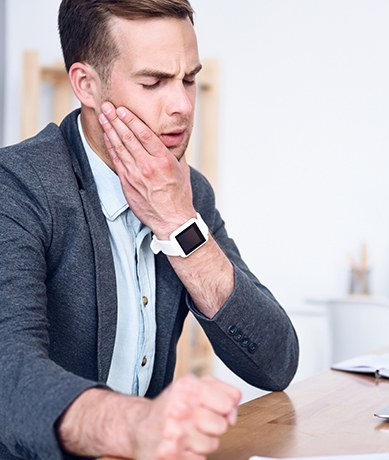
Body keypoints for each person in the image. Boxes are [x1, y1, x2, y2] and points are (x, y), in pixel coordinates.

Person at [0, 0, 299, 459]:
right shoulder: (17, 184)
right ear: (86, 85)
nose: (181, 105)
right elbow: (10, 375)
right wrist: (139, 424)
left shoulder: (185, 191)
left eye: (189, 79)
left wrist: (180, 226)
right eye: (153, 81)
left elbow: (276, 363)